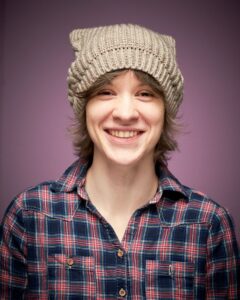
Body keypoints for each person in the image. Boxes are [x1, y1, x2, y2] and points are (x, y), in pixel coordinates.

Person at [0, 24, 239, 299]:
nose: (125, 113)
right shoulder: (29, 216)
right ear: (84, 107)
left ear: (165, 110)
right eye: (106, 92)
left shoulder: (209, 224)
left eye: (145, 94)